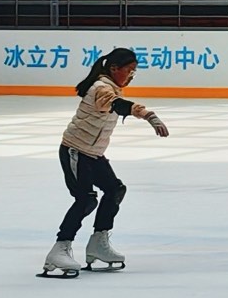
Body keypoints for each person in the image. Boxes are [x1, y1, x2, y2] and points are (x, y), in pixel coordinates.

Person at [41, 48, 169, 278]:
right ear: (114, 69)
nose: (131, 75)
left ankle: (99, 242)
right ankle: (59, 249)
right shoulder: (101, 88)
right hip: (75, 151)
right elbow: (116, 104)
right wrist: (147, 115)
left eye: (134, 72)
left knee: (114, 189)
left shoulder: (110, 87)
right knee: (86, 199)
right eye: (129, 70)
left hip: (93, 154)